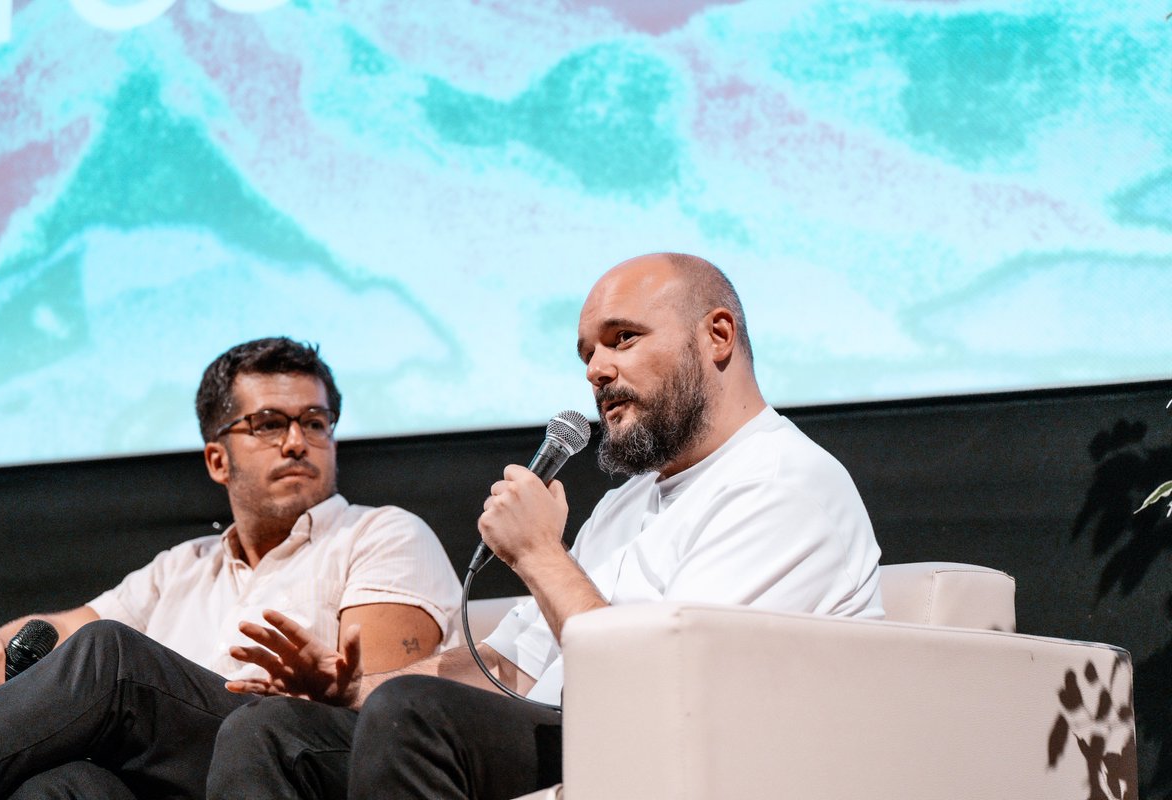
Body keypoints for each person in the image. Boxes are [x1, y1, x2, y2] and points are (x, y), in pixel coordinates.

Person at [206, 254, 884, 800]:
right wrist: (358, 688)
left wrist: (537, 552)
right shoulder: (627, 503)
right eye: (587, 352)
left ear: (718, 336)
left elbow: (662, 690)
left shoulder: (784, 480)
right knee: (269, 732)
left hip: (683, 751)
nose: (597, 370)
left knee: (414, 715)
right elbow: (507, 665)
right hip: (586, 734)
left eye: (623, 339)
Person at [0, 337, 461, 800]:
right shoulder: (182, 566)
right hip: (186, 781)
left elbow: (382, 712)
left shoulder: (383, 533)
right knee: (62, 786)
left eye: (315, 421)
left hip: (302, 763)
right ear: (217, 460)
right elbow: (65, 632)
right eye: (269, 423)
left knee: (113, 658)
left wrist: (328, 690)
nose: (296, 442)